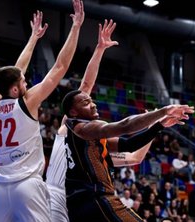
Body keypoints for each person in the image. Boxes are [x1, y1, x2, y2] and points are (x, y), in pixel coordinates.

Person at [45, 19, 157, 221]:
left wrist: (153, 128)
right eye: (87, 103)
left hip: (80, 200)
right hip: (57, 194)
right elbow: (86, 86)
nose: (93, 105)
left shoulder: (97, 157)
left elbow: (134, 157)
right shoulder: (71, 126)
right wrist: (99, 49)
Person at [0, 2, 84, 221]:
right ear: (14, 89)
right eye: (23, 82)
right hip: (27, 186)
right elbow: (60, 67)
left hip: (0, 189)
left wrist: (33, 39)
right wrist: (76, 27)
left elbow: (16, 72)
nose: (26, 82)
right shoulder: (27, 102)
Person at [61, 86, 194, 221]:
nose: (93, 105)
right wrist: (164, 111)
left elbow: (129, 145)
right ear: (73, 112)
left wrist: (158, 126)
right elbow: (125, 126)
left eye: (91, 100)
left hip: (79, 205)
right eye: (85, 103)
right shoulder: (83, 128)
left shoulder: (84, 138)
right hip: (95, 198)